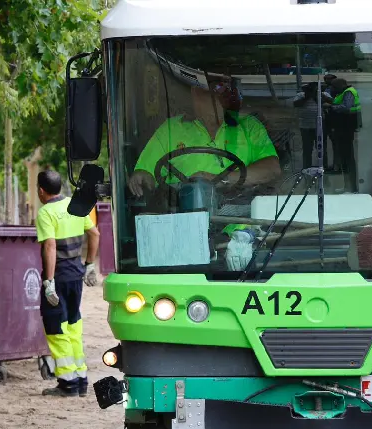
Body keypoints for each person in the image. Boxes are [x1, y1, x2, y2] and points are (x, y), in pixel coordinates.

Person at [127, 68, 282, 204]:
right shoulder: (171, 129)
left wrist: (219, 179)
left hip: (241, 219)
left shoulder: (248, 125)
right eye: (208, 92)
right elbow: (147, 174)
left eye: (220, 91)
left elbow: (272, 169)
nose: (215, 98)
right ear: (194, 94)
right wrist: (141, 177)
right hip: (183, 217)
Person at [35, 169, 101, 397]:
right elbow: (95, 234)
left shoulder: (46, 213)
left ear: (41, 191)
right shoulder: (75, 206)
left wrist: (49, 281)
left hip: (59, 276)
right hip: (75, 274)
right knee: (73, 324)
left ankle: (67, 383)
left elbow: (50, 246)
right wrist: (89, 264)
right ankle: (81, 379)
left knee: (56, 327)